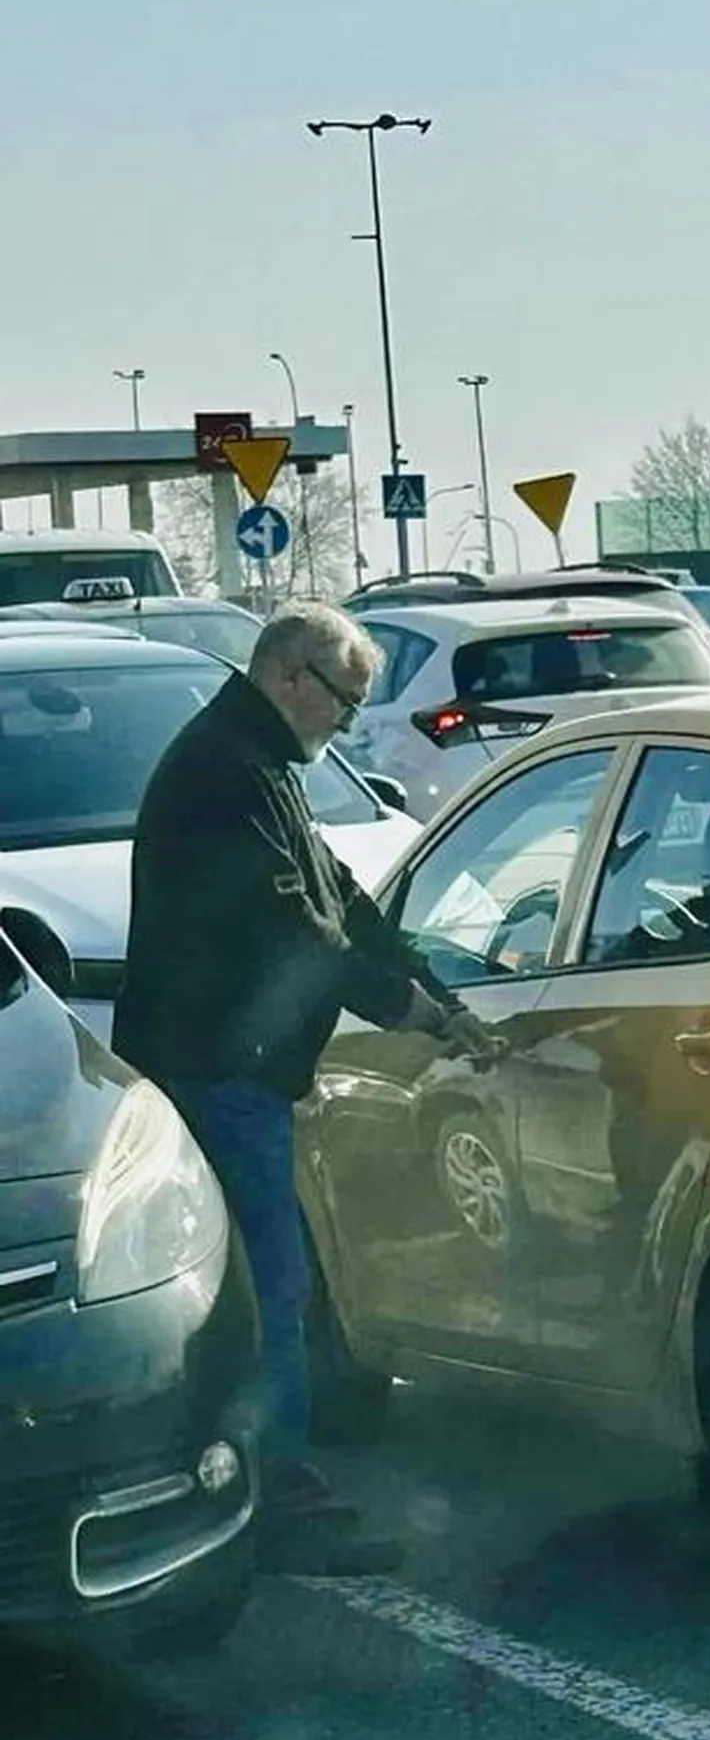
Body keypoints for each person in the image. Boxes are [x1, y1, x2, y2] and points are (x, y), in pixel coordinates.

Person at [114, 601, 493, 1574]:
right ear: (293, 678)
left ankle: (256, 1482)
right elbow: (299, 933)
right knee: (269, 1288)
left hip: (232, 1066)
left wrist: (432, 990)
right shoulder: (223, 774)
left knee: (263, 1286)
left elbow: (341, 899)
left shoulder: (257, 763)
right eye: (346, 701)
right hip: (216, 1071)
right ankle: (274, 1501)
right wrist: (400, 1006)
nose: (348, 723)